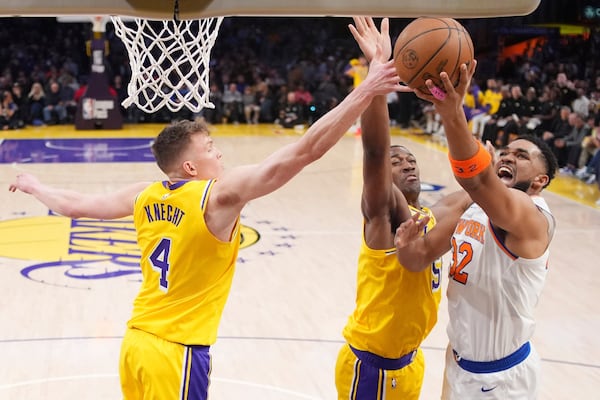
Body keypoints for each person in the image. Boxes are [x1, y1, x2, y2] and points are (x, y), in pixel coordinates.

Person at [9, 48, 401, 400]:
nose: (220, 153)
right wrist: (367, 90)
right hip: (176, 352)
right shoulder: (217, 197)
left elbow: (78, 206)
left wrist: (35, 185)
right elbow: (304, 151)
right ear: (190, 167)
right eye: (211, 149)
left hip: (137, 344)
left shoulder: (144, 194)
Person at [394, 60, 558, 399]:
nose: (508, 158)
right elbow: (418, 257)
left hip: (503, 380)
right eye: (506, 153)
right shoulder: (470, 204)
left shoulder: (533, 215)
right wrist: (406, 243)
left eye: (522, 156)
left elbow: (478, 179)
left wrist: (452, 113)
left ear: (540, 181)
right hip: (458, 363)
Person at [335, 17, 471, 400]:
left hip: (410, 363)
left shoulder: (431, 216)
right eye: (398, 162)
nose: (407, 163)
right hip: (372, 368)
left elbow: (476, 188)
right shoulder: (382, 216)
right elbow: (375, 151)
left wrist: (455, 108)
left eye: (410, 159)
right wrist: (375, 79)